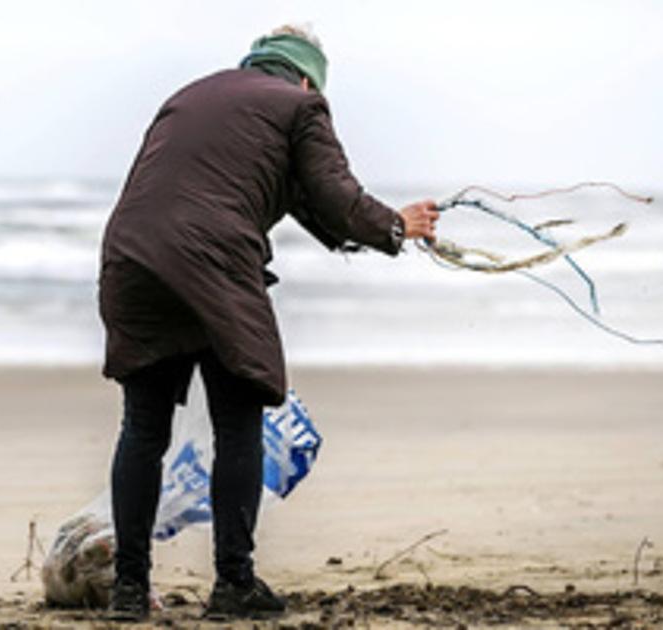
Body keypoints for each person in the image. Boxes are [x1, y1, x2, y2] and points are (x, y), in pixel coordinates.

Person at [98, 24, 439, 622]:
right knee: (238, 420)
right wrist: (396, 226)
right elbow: (336, 195)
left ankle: (128, 590)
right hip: (214, 261)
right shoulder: (303, 106)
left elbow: (311, 210)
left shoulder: (192, 95)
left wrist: (366, 235)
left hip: (131, 258)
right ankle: (233, 582)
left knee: (143, 430)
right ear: (308, 78)